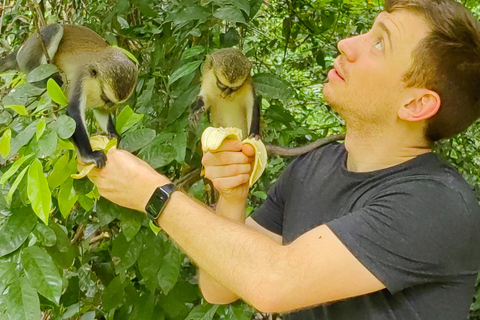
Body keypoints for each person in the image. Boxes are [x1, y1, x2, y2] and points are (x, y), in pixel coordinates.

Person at [87, 0, 480, 319]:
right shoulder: (314, 167)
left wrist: (153, 193)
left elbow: (273, 283)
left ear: (417, 104)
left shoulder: (437, 203)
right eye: (366, 30)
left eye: (379, 43)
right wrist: (233, 196)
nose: (347, 44)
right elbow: (220, 286)